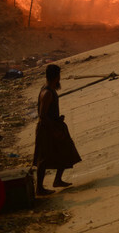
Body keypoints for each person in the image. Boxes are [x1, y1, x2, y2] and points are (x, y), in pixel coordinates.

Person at [34, 64, 82, 196]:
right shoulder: (47, 93)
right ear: (56, 76)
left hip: (54, 126)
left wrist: (57, 119)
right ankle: (39, 188)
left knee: (66, 150)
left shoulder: (49, 89)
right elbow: (42, 115)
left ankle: (58, 180)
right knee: (43, 159)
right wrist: (54, 129)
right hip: (47, 129)